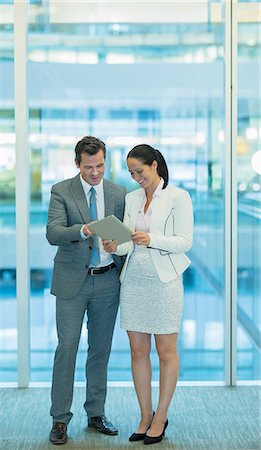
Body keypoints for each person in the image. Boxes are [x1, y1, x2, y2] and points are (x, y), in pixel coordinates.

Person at [103, 144, 193, 446]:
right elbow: (129, 241)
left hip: (165, 281)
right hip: (134, 280)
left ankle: (161, 415)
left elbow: (184, 242)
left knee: (166, 352)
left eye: (139, 171)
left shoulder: (178, 197)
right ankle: (145, 415)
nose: (135, 177)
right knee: (137, 352)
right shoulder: (132, 198)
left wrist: (152, 238)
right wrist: (117, 246)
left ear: (154, 165)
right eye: (131, 173)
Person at [46, 136, 126, 445]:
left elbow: (124, 236)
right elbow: (53, 232)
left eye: (101, 165)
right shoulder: (61, 191)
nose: (95, 172)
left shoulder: (118, 193)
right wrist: (84, 229)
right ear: (77, 163)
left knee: (100, 350)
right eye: (89, 166)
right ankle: (59, 419)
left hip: (107, 281)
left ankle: (96, 413)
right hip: (71, 281)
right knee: (67, 348)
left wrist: (116, 243)